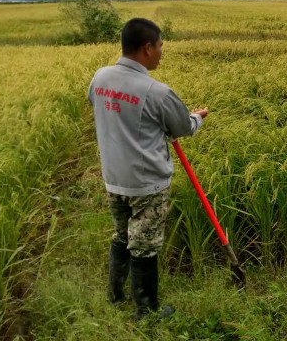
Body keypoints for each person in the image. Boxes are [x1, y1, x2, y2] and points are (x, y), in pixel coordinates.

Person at [87, 18, 208, 318]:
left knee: (121, 235)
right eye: (160, 46)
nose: (162, 53)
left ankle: (115, 295)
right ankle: (147, 310)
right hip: (146, 184)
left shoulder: (100, 78)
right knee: (145, 245)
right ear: (147, 48)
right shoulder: (157, 92)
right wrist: (198, 117)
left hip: (113, 178)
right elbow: (182, 128)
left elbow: (103, 108)